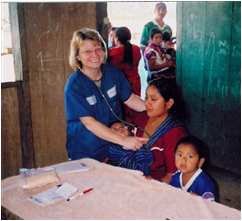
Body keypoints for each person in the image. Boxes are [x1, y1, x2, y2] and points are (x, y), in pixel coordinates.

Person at [64, 28, 148, 161]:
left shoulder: (112, 73)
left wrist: (153, 108)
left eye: (98, 49)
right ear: (77, 56)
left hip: (113, 146)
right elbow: (90, 123)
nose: (95, 55)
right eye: (87, 51)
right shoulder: (74, 86)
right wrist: (124, 140)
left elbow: (130, 99)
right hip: (86, 150)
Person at [108, 78, 187, 182]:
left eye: (153, 99)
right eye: (146, 98)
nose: (147, 103)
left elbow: (171, 175)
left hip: (153, 181)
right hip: (128, 172)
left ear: (169, 103)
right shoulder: (141, 117)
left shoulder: (174, 133)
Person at [108, 26, 142, 123]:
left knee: (122, 109)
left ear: (117, 38)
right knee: (135, 107)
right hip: (135, 81)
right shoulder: (136, 49)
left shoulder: (112, 53)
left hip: (121, 84)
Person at [170, 136, 216, 201]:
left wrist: (199, 200)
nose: (183, 160)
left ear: (200, 162)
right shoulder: (176, 176)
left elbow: (210, 206)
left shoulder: (204, 183)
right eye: (180, 155)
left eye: (190, 156)